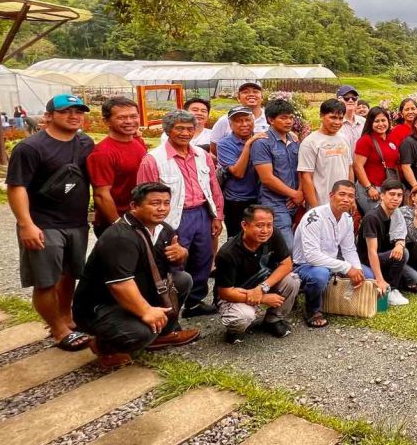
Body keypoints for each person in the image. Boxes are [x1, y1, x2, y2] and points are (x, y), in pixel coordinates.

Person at [72, 183, 200, 368]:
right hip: (102, 305)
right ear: (134, 206)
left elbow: (165, 269)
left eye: (166, 203)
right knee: (141, 333)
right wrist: (146, 312)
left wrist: (181, 254)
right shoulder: (120, 237)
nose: (162, 208)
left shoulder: (163, 229)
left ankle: (162, 335)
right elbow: (119, 284)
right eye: (155, 203)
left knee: (182, 280)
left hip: (138, 290)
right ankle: (105, 346)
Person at [7, 93, 95, 351]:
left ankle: (66, 318)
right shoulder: (31, 148)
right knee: (45, 280)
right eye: (66, 111)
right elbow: (16, 187)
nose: (74, 116)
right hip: (43, 224)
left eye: (78, 111)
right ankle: (57, 330)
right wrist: (26, 224)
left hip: (76, 223)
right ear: (48, 116)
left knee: (70, 273)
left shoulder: (84, 143)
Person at [136, 109, 224, 318]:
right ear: (168, 130)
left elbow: (214, 187)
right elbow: (144, 195)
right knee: (174, 263)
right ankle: (169, 308)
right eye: (180, 128)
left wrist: (217, 215)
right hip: (172, 218)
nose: (185, 133)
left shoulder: (202, 155)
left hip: (202, 213)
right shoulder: (153, 159)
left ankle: (194, 303)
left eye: (190, 128)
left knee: (203, 259)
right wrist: (153, 226)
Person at [214, 205, 299, 343]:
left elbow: (287, 264)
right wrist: (263, 298)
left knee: (292, 281)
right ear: (244, 225)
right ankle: (235, 330)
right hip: (236, 293)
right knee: (243, 317)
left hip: (261, 284)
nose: (265, 230)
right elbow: (225, 293)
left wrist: (261, 289)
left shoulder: (274, 235)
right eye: (259, 225)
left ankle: (273, 320)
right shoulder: (227, 253)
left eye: (269, 225)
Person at [293, 180, 371, 328]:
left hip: (331, 263)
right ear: (331, 195)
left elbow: (348, 249)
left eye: (350, 196)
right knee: (320, 275)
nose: (346, 199)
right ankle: (312, 310)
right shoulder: (314, 216)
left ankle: (343, 304)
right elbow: (312, 256)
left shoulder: (347, 218)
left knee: (367, 275)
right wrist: (347, 268)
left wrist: (356, 268)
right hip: (305, 265)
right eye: (342, 194)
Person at [88, 97, 147, 237]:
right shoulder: (102, 153)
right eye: (122, 117)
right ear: (106, 121)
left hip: (140, 218)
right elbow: (101, 195)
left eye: (133, 116)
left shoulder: (138, 142)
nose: (129, 121)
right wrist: (118, 225)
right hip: (116, 223)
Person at [251, 99, 302, 250]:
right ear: (270, 120)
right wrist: (294, 194)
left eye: (291, 117)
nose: (288, 121)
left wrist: (300, 192)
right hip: (273, 202)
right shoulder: (263, 143)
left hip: (295, 200)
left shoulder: (293, 140)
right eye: (283, 118)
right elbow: (267, 178)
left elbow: (301, 168)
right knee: (288, 247)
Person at [357, 179, 415, 305]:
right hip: (366, 260)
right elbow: (371, 251)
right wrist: (379, 280)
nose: (396, 198)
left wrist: (399, 244)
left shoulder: (396, 212)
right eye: (392, 194)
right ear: (382, 195)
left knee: (413, 277)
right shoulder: (372, 217)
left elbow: (401, 235)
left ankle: (391, 282)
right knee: (402, 254)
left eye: (399, 195)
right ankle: (391, 289)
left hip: (384, 256)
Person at [216, 106, 267, 237]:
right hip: (237, 200)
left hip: (260, 197)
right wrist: (248, 145)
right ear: (230, 125)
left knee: (260, 236)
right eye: (238, 121)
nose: (244, 124)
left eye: (247, 120)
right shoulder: (224, 144)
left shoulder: (262, 138)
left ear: (253, 121)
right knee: (237, 238)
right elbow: (238, 172)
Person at [299, 99, 355, 210]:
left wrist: (351, 199)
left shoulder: (344, 138)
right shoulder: (310, 142)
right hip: (321, 204)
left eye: (340, 118)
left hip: (343, 204)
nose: (337, 122)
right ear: (321, 115)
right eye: (333, 117)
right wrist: (315, 209)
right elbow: (306, 178)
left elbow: (349, 169)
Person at [353, 107, 400, 214]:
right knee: (375, 220)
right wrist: (369, 188)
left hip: (387, 189)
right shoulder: (366, 140)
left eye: (383, 120)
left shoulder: (391, 138)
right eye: (376, 121)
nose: (381, 124)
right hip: (371, 190)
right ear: (370, 123)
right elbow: (358, 166)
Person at [208, 82, 269, 154]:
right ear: (238, 98)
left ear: (262, 98)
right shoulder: (225, 120)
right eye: (245, 92)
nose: (251, 94)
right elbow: (214, 147)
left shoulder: (270, 118)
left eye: (255, 92)